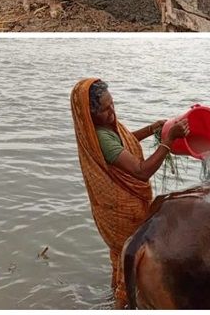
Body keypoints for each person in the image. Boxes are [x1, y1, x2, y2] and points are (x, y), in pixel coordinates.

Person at [71, 78, 189, 308]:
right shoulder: (101, 138)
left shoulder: (105, 131)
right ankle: (123, 305)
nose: (112, 113)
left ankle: (117, 297)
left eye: (112, 104)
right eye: (105, 109)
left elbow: (124, 143)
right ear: (90, 113)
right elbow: (141, 172)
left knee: (122, 257)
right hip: (120, 212)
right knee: (131, 261)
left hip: (116, 209)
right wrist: (167, 140)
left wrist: (151, 128)